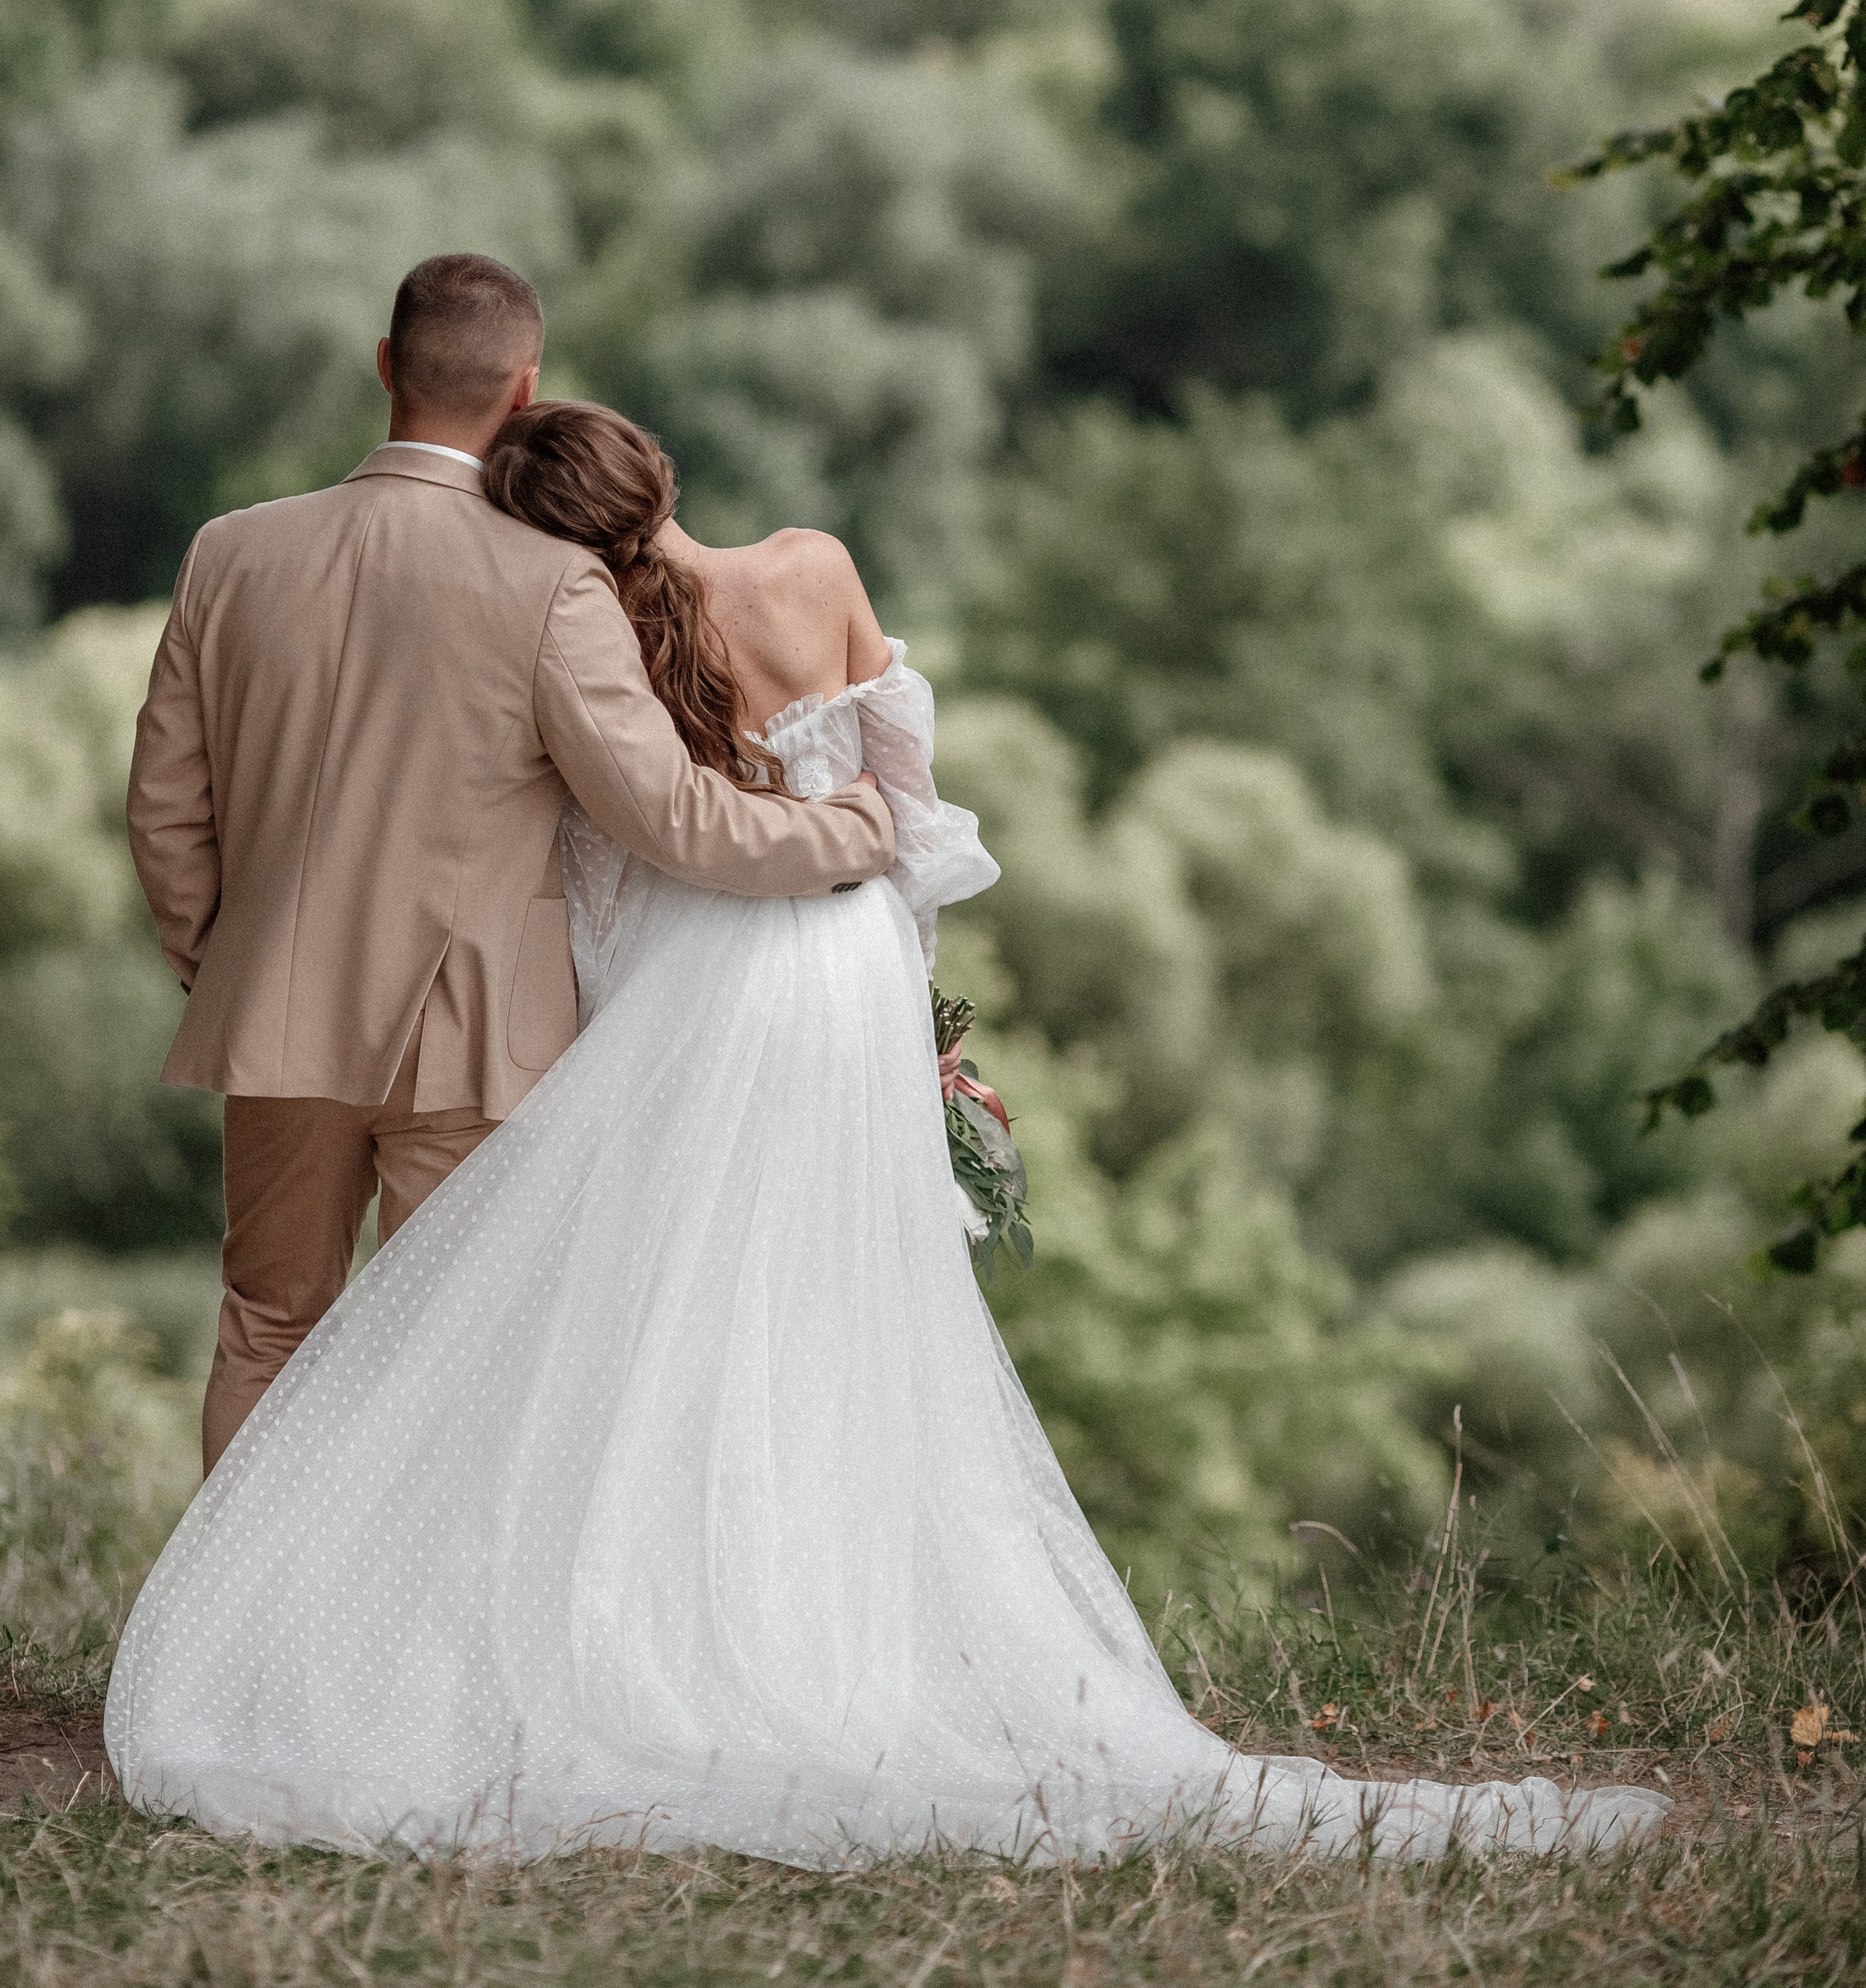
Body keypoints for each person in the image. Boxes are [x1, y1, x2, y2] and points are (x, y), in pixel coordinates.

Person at [106, 394, 1668, 1867]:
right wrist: (908, 1011)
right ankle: (830, 1633)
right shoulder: (814, 568)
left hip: (693, 986)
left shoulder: (583, 628)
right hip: (848, 968)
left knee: (644, 1325)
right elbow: (913, 813)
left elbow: (615, 871)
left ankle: (436, 1640)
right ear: (660, 475)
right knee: (835, 1318)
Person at [124, 257, 894, 1474]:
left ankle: (234, 1611)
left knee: (266, 1328)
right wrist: (859, 831)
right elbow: (671, 817)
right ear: (525, 386)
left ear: (387, 365)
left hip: (275, 1020)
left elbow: (167, 807)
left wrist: (226, 964)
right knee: (455, 1360)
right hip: (474, 1040)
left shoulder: (231, 551)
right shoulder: (552, 579)